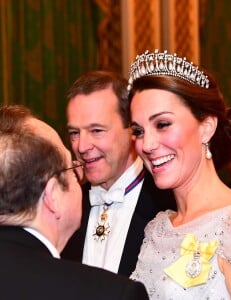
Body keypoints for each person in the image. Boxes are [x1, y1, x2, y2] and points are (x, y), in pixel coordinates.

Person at [127, 50, 231, 299]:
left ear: (207, 127)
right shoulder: (158, 228)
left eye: (162, 124)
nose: (146, 144)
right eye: (138, 130)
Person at [0, 105, 149, 300]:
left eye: (96, 130)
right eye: (71, 168)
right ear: (52, 195)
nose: (80, 174)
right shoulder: (112, 294)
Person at [61, 70, 176, 276]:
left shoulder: (171, 206)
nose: (82, 146)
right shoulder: (64, 209)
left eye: (97, 130)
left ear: (132, 130)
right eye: (74, 133)